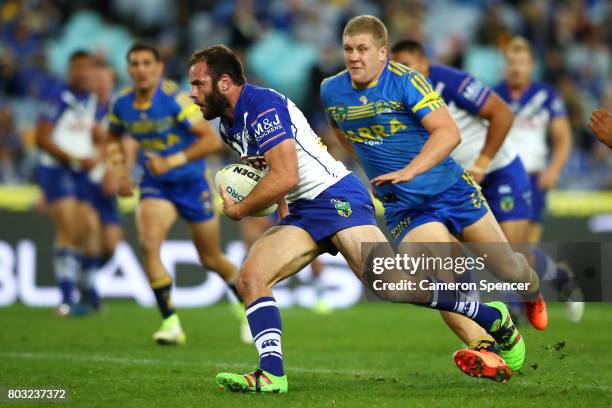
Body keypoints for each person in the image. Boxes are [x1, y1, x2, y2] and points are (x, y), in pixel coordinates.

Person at [188, 43, 527, 393]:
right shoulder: (229, 126)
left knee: (392, 285)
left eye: (198, 84)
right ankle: (271, 375)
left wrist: (238, 209)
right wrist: (282, 212)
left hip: (335, 197)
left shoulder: (262, 106)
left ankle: (492, 316)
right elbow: (273, 176)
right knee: (250, 278)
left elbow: (286, 175)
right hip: (303, 211)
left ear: (225, 82)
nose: (192, 94)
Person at [321, 16, 546, 381]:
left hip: (452, 192)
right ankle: (488, 346)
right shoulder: (331, 90)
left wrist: (410, 169)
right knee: (439, 277)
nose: (354, 57)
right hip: (405, 207)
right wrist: (366, 161)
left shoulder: (406, 81)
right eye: (348, 49)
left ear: (382, 52)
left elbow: (448, 133)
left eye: (362, 49)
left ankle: (532, 293)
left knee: (512, 270)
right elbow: (339, 127)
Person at [107, 41, 243, 345]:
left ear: (159, 68)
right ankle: (170, 322)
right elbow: (113, 138)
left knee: (210, 258)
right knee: (147, 243)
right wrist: (120, 173)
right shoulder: (121, 104)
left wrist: (171, 160)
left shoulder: (174, 100)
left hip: (192, 183)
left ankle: (247, 306)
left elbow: (209, 142)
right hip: (157, 184)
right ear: (128, 68)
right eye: (134, 64)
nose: (140, 70)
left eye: (146, 63)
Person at [494, 37, 582, 321]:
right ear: (504, 65)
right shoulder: (492, 96)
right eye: (511, 62)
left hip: (533, 179)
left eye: (521, 62)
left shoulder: (546, 96)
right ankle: (558, 277)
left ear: (531, 65)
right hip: (500, 178)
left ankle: (515, 306)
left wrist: (554, 169)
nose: (516, 68)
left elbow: (562, 137)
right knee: (512, 248)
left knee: (519, 248)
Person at [35, 50, 104, 316]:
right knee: (69, 227)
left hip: (80, 172)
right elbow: (42, 138)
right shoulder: (57, 96)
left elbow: (96, 134)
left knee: (89, 229)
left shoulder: (91, 100)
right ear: (70, 71)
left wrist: (96, 153)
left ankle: (88, 294)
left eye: (88, 68)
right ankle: (65, 299)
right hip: (57, 169)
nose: (84, 73)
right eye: (79, 68)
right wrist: (75, 158)